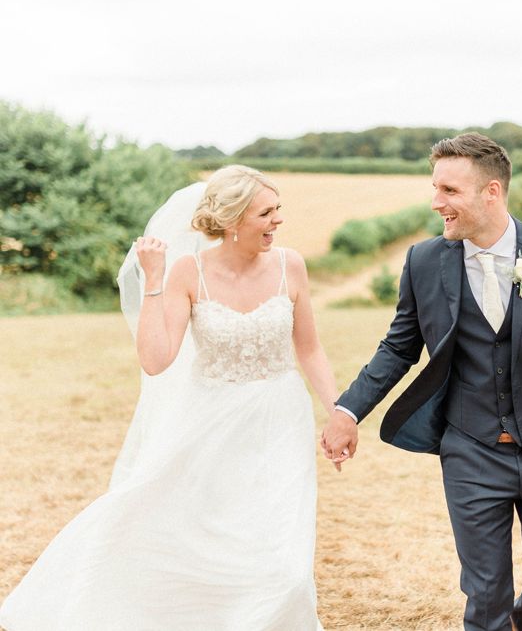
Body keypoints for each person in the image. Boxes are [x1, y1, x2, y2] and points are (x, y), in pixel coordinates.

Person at [321, 133, 522, 631]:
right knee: (485, 594)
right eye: (434, 188)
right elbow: (399, 347)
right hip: (469, 447)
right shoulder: (424, 262)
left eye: (449, 190)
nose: (435, 202)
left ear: (491, 192)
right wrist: (347, 410)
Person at [0, 165, 337, 630]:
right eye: (266, 212)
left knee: (283, 557)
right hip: (209, 421)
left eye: (278, 209)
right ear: (234, 220)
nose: (278, 220)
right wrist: (154, 279)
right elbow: (157, 360)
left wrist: (340, 411)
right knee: (179, 527)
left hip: (279, 419)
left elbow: (310, 348)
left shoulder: (289, 265)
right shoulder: (188, 271)